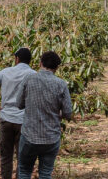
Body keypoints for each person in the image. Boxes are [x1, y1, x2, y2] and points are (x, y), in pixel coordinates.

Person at [0, 48, 36, 179]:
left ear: (16, 59)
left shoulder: (6, 72)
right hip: (24, 121)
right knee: (22, 158)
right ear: (30, 61)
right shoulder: (34, 75)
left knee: (6, 157)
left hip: (6, 119)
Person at [18, 51, 73, 179]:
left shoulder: (28, 79)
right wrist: (57, 113)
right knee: (45, 174)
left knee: (25, 172)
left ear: (40, 63)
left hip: (29, 136)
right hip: (51, 137)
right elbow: (68, 113)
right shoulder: (61, 84)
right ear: (56, 67)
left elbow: (19, 103)